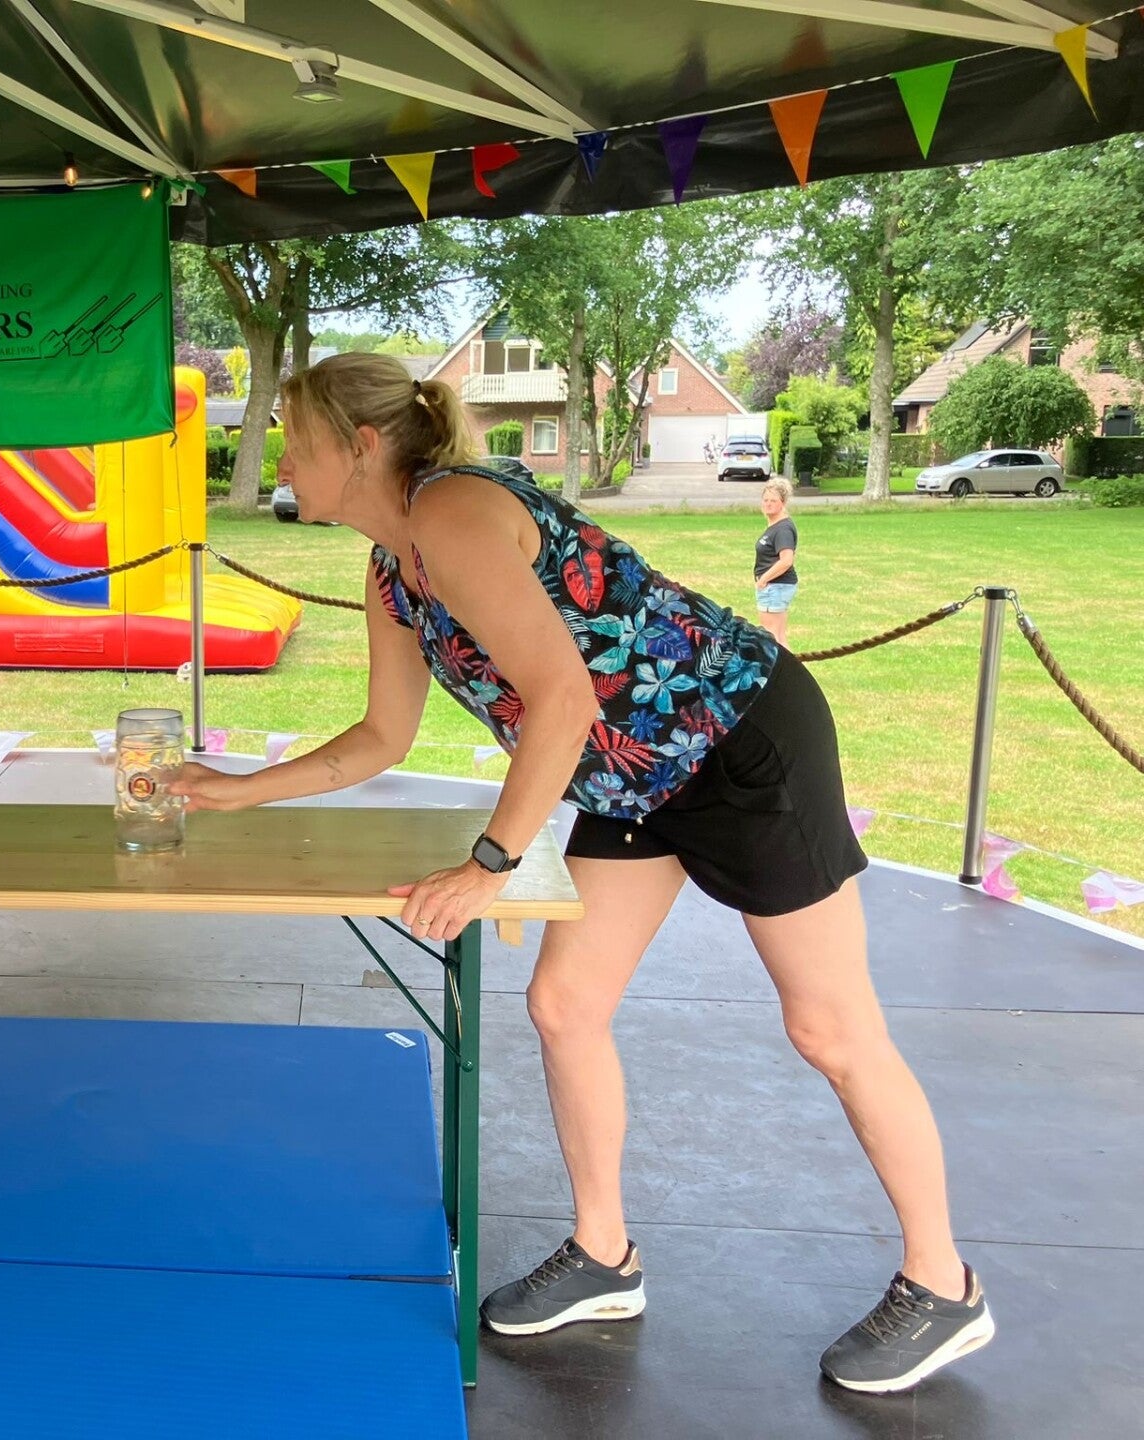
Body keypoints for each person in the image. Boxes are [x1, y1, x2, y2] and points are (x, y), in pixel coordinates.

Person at [171, 354, 990, 1395]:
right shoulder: (391, 569)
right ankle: (605, 1256)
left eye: (295, 439)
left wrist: (490, 864)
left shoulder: (454, 512)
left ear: (362, 447)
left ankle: (943, 1283)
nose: (282, 461)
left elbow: (562, 698)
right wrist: (237, 790)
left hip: (739, 738)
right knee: (565, 1005)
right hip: (630, 773)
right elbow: (383, 735)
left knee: (830, 1029)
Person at [754, 478, 799, 645]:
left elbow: (786, 560)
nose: (768, 504)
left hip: (775, 587)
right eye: (765, 500)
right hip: (776, 587)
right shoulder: (776, 526)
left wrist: (763, 580)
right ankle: (789, 663)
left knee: (770, 637)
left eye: (773, 500)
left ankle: (780, 663)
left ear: (783, 502)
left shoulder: (783, 529)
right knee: (778, 637)